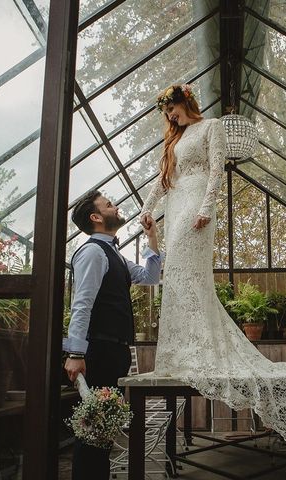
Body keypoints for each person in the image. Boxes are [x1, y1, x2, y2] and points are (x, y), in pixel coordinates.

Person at [139, 84, 286, 467]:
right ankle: (183, 350)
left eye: (173, 109)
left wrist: (209, 207)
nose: (170, 117)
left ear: (185, 102)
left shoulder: (211, 126)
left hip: (197, 203)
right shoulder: (175, 140)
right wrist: (147, 209)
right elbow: (164, 179)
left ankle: (203, 349)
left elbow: (217, 169)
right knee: (174, 276)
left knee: (191, 275)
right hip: (177, 201)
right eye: (166, 113)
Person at [64, 190, 161, 480]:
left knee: (103, 433)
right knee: (93, 433)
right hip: (97, 352)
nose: (116, 207)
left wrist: (152, 238)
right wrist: (76, 353)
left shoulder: (114, 255)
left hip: (115, 352)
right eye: (109, 205)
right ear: (96, 217)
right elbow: (82, 304)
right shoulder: (93, 252)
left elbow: (150, 277)